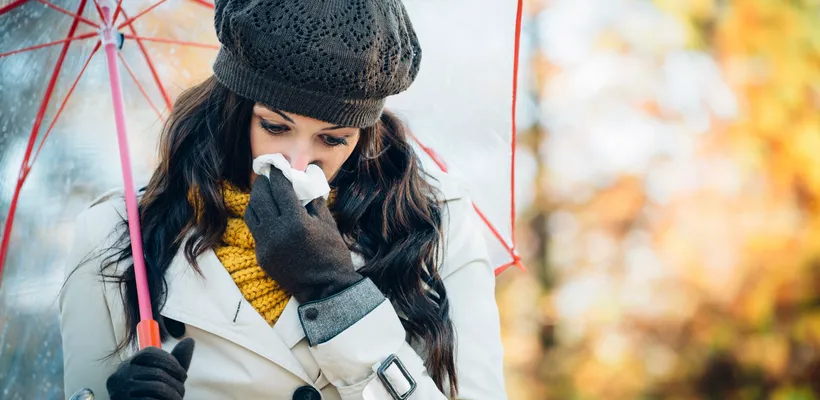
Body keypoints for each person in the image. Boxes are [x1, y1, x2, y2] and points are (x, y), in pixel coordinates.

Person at [59, 0, 506, 398]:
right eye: (275, 127)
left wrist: (338, 297)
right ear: (235, 108)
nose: (297, 162)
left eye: (333, 139)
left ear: (363, 132)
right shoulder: (118, 236)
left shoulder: (431, 224)